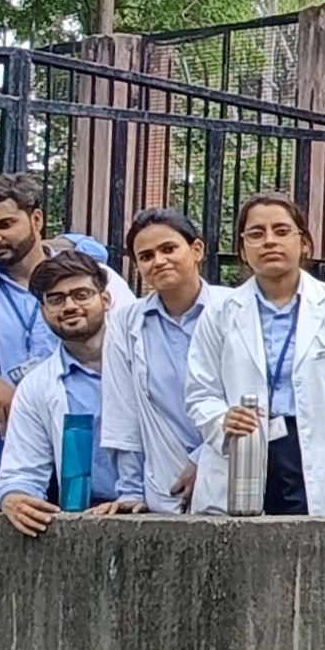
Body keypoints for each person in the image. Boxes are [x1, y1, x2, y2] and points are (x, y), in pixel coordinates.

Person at [0, 172, 130, 510]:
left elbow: (133, 356)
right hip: (6, 452)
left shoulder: (102, 283)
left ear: (36, 219)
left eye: (4, 224)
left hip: (92, 448)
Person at [188, 192, 325, 518]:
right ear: (243, 250)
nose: (269, 241)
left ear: (303, 242)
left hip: (314, 454)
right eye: (256, 234)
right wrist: (221, 419)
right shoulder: (220, 312)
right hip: (244, 448)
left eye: (281, 230)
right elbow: (199, 391)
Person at [0, 246, 132, 534]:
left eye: (81, 295)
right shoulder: (36, 386)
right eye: (55, 299)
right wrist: (14, 495)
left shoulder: (143, 361)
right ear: (43, 310)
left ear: (105, 300)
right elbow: (22, 469)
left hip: (153, 511)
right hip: (82, 520)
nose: (69, 306)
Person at [104, 208, 222, 514]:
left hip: (232, 472)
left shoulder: (234, 308)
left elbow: (250, 399)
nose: (158, 261)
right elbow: (122, 408)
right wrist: (129, 490)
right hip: (164, 488)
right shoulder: (124, 322)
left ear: (197, 250)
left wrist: (204, 460)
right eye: (146, 256)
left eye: (169, 249)